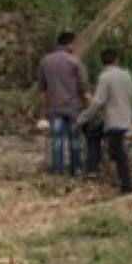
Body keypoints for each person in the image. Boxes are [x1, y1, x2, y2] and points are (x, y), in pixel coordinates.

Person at [77, 48, 132, 194]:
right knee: (98, 137)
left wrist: (82, 118)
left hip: (113, 122)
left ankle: (127, 186)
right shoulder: (127, 75)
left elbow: (98, 102)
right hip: (125, 119)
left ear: (102, 62)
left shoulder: (104, 77)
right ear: (117, 60)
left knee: (118, 152)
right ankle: (96, 168)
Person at [38, 31, 88, 177]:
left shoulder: (45, 61)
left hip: (54, 108)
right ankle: (76, 169)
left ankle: (57, 171)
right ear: (70, 44)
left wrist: (45, 109)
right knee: (74, 140)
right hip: (74, 108)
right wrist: (86, 107)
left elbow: (42, 89)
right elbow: (83, 86)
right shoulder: (75, 61)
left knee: (57, 141)